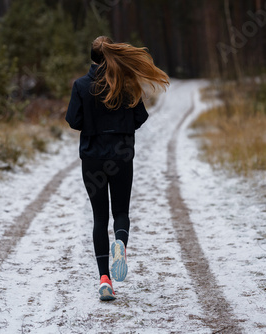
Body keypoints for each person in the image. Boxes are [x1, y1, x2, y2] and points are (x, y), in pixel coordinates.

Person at [66, 36, 169, 301]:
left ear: (92, 57)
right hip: (122, 157)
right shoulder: (126, 85)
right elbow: (140, 118)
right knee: (120, 212)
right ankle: (120, 244)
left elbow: (74, 121)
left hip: (92, 159)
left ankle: (104, 281)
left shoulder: (81, 85)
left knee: (99, 219)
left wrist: (93, 123)